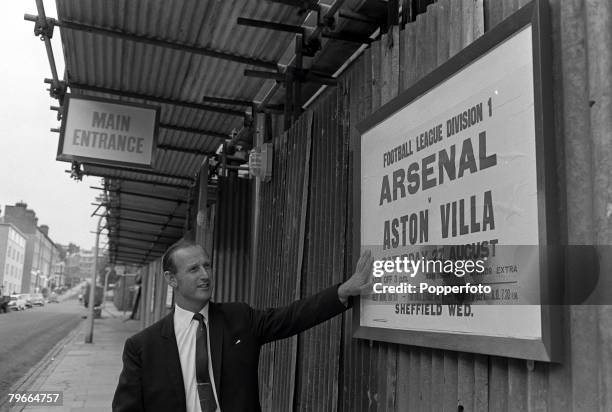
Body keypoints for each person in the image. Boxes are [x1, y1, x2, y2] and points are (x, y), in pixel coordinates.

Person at [112, 239, 373, 412]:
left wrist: (341, 293)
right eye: (194, 269)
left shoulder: (238, 318)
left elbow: (291, 317)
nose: (205, 275)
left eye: (207, 266)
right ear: (171, 279)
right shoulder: (143, 347)